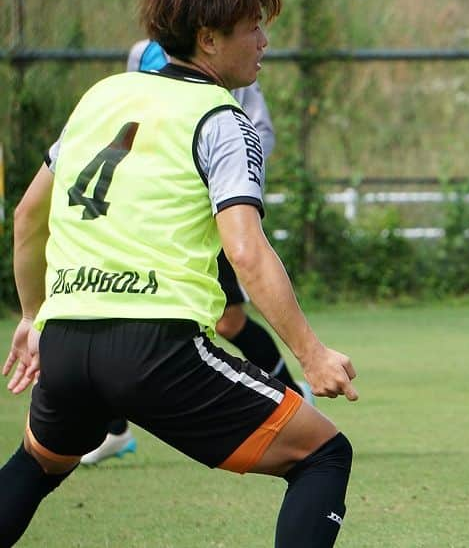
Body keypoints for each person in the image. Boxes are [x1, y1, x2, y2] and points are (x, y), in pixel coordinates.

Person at [0, 0, 357, 547]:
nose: (265, 40)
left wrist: (34, 315)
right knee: (323, 455)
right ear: (209, 38)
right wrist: (312, 353)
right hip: (155, 348)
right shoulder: (221, 117)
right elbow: (245, 250)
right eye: (254, 27)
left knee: (39, 463)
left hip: (65, 342)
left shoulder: (103, 97)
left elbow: (28, 214)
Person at [79, 40, 313, 466]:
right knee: (122, 309)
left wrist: (224, 180)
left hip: (203, 209)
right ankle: (114, 430)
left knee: (229, 321)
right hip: (150, 209)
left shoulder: (229, 61)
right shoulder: (139, 54)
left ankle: (298, 401)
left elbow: (258, 130)